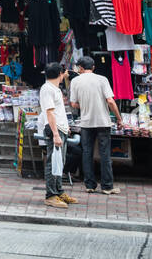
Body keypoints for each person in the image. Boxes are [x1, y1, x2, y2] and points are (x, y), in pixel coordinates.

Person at [69, 54, 122, 195]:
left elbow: (73, 104)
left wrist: (86, 105)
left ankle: (90, 185)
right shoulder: (102, 79)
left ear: (80, 68)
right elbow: (110, 101)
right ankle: (107, 187)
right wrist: (119, 118)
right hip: (103, 121)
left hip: (86, 122)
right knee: (105, 154)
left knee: (87, 153)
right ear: (93, 67)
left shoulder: (75, 81)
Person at [39, 61, 79, 208]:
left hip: (60, 129)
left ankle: (58, 191)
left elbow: (57, 112)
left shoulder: (54, 88)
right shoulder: (47, 89)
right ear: (59, 74)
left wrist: (64, 127)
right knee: (53, 163)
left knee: (59, 162)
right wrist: (56, 133)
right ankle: (50, 195)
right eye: (63, 73)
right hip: (54, 130)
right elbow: (49, 112)